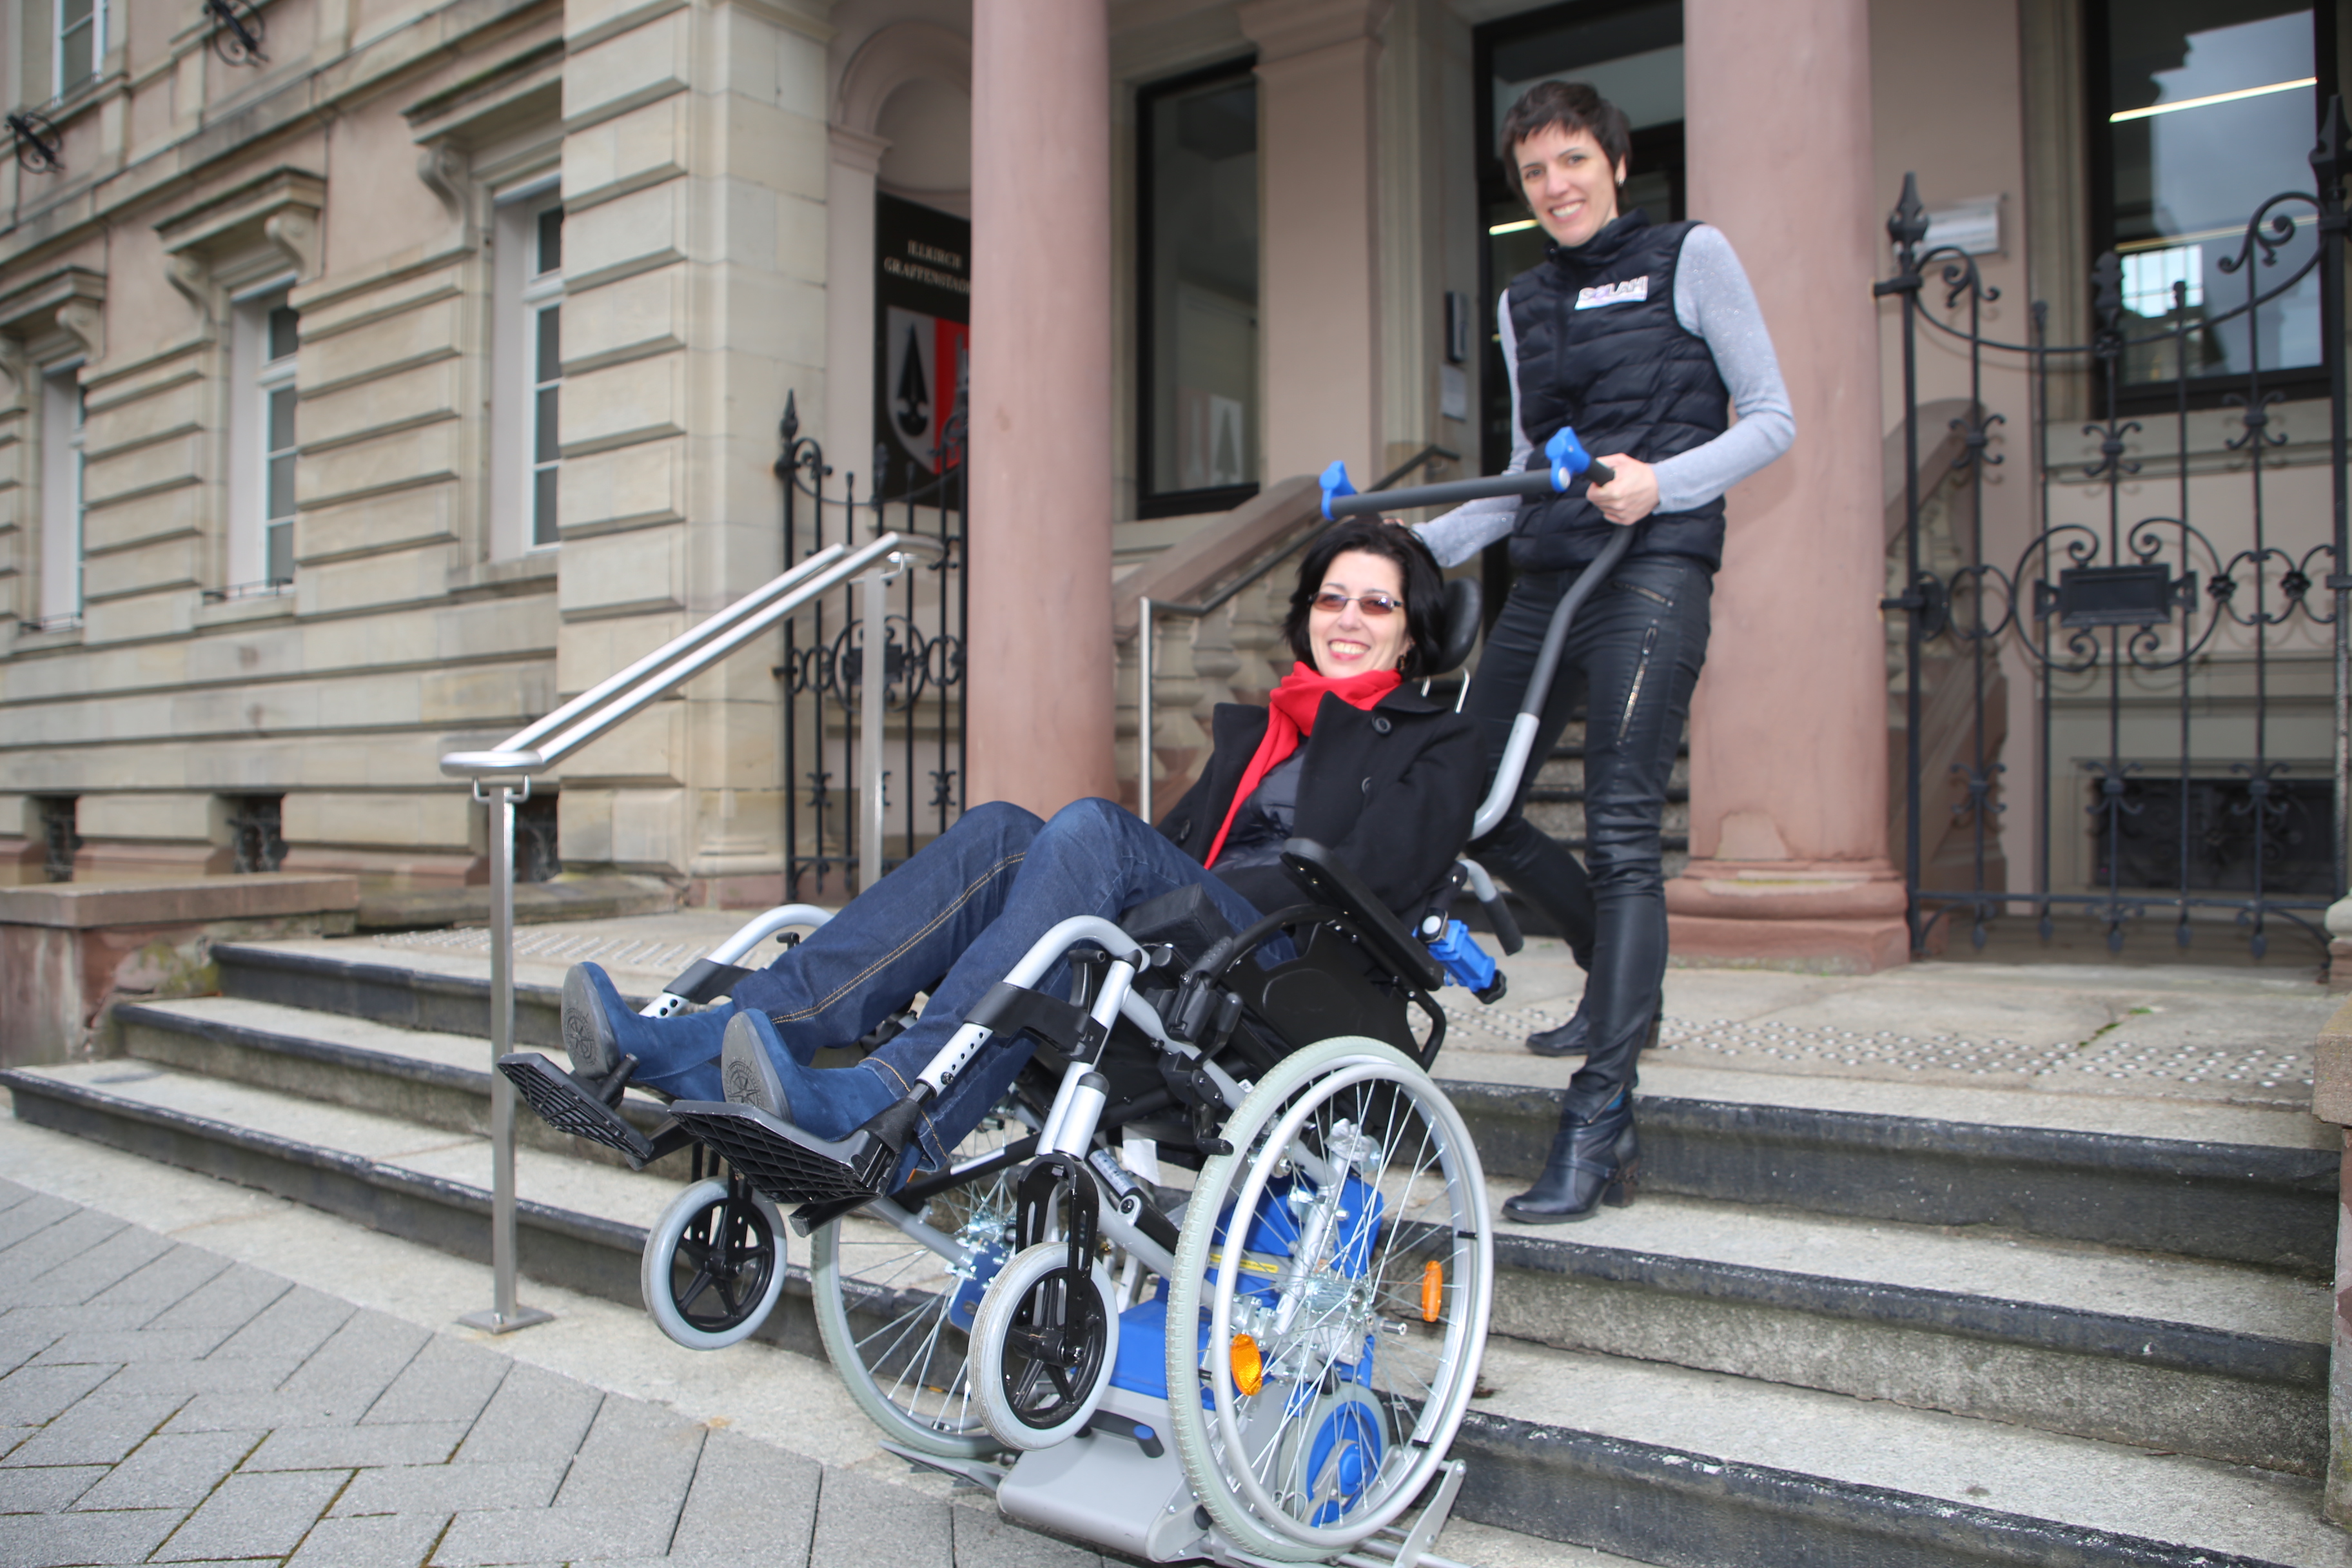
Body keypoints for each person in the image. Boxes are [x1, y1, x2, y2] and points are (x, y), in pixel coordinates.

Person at [554, 519, 1481, 1178]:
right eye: (1332, 598)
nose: (1349, 619)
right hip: (1200, 939)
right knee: (1005, 831)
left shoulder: (1431, 738)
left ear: (1411, 632)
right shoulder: (1264, 731)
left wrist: (1150, 875)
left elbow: (1379, 877)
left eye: (1377, 604)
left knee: (1088, 829)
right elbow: (1167, 849)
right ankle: (702, 1043)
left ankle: (893, 1098)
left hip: (1289, 962)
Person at [1417, 81, 1794, 1224]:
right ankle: (1609, 974)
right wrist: (1413, 544)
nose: (1556, 186)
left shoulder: (1694, 255)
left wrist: (1661, 483)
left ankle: (1603, 1118)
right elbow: (1535, 460)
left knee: (1625, 822)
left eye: (1573, 160)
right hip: (1551, 569)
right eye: (1534, 172)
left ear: (1616, 163)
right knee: (1471, 803)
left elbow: (1773, 418)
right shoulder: (1523, 297)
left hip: (1656, 565)